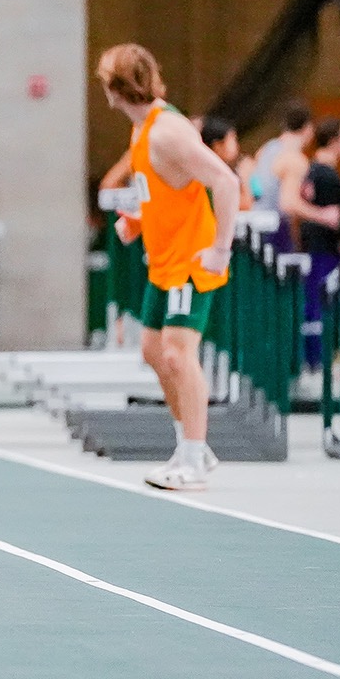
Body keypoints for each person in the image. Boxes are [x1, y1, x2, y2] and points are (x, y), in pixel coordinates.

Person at [97, 43, 239, 492]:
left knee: (179, 354)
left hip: (190, 261)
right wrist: (137, 222)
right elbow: (162, 187)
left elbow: (225, 180)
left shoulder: (167, 130)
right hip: (162, 261)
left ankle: (195, 457)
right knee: (154, 352)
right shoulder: (142, 131)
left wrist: (221, 247)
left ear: (116, 89)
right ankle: (189, 445)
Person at [299, 119, 340, 371]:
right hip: (325, 249)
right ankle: (317, 357)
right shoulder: (328, 176)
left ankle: (314, 356)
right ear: (334, 140)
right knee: (321, 303)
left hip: (313, 246)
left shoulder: (312, 171)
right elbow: (335, 217)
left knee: (314, 300)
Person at [253, 104, 318, 253]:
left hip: (257, 225)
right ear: (308, 128)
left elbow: (255, 185)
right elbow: (288, 204)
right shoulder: (295, 160)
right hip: (276, 231)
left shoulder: (265, 150)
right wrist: (322, 215)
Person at [198, 117, 255, 211]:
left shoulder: (229, 169)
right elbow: (244, 204)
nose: (236, 145)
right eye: (232, 139)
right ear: (217, 145)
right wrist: (245, 175)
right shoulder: (212, 173)